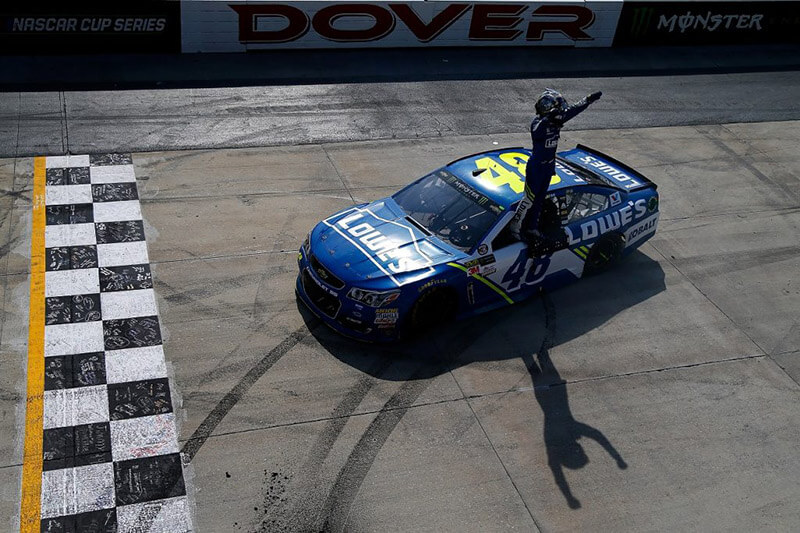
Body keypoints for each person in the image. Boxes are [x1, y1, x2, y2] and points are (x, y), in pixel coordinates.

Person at [510, 89, 602, 254]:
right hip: (536, 167)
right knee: (529, 199)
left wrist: (588, 100)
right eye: (557, 110)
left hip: (549, 166)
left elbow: (574, 110)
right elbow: (539, 128)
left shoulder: (555, 120)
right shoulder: (537, 123)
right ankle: (515, 227)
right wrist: (549, 118)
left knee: (539, 199)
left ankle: (532, 228)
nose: (561, 114)